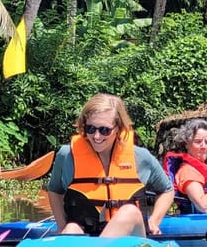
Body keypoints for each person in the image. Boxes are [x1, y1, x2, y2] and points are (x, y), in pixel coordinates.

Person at [47, 93, 175, 237]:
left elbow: (167, 190)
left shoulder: (141, 157)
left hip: (130, 239)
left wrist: (154, 221)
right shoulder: (66, 156)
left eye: (104, 130)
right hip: (87, 236)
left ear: (118, 129)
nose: (96, 136)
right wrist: (61, 225)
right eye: (90, 129)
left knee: (129, 212)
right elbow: (54, 190)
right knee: (71, 228)